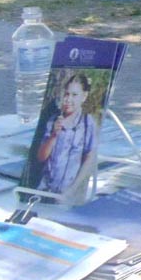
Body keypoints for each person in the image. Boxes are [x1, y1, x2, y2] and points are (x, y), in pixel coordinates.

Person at [35, 73, 99, 203]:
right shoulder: (54, 120)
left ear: (84, 96)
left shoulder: (87, 123)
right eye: (67, 94)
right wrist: (53, 136)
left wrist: (72, 189)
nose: (69, 99)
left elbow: (89, 158)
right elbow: (41, 157)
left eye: (74, 95)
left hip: (67, 193)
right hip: (44, 190)